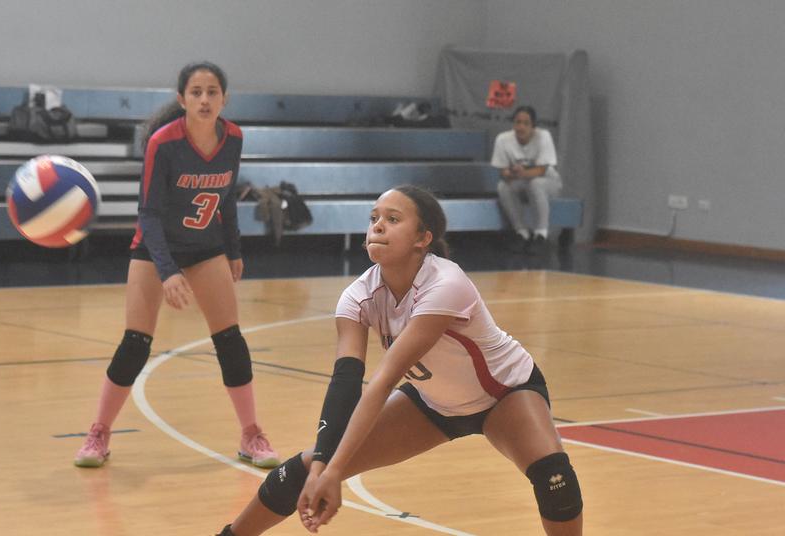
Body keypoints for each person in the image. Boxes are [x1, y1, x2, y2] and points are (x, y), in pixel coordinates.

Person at [215, 185, 583, 535]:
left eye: (393, 219)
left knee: (554, 476)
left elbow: (385, 378)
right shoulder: (357, 296)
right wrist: (325, 465)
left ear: (423, 239)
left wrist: (336, 467)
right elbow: (345, 382)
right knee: (305, 469)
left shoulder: (445, 283)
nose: (377, 224)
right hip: (433, 403)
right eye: (374, 217)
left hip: (504, 393)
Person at [75, 61, 280, 469]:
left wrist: (234, 250)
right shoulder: (163, 143)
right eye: (196, 92)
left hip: (206, 249)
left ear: (224, 98)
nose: (205, 99)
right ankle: (99, 433)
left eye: (212, 92)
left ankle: (251, 434)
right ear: (182, 99)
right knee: (135, 344)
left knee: (231, 341)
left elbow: (226, 200)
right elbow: (148, 215)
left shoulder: (234, 137)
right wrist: (167, 271)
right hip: (154, 251)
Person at [492, 105, 563, 255]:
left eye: (526, 123)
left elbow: (541, 170)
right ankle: (521, 232)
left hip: (547, 181)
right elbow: (502, 171)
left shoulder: (544, 137)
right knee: (503, 187)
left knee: (535, 183)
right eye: (518, 122)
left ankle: (541, 234)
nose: (521, 127)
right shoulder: (503, 139)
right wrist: (512, 172)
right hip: (521, 180)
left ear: (533, 126)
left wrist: (522, 172)